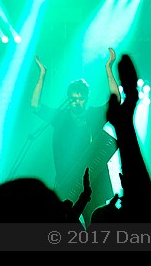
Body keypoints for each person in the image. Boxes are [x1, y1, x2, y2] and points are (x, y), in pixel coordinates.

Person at [30, 47, 122, 224]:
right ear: (68, 98)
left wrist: (108, 69)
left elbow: (115, 100)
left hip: (94, 178)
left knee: (95, 223)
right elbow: (35, 106)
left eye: (81, 98)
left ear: (87, 98)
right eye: (73, 98)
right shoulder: (61, 117)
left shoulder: (95, 115)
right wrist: (42, 75)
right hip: (67, 177)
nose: (77, 102)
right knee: (63, 224)